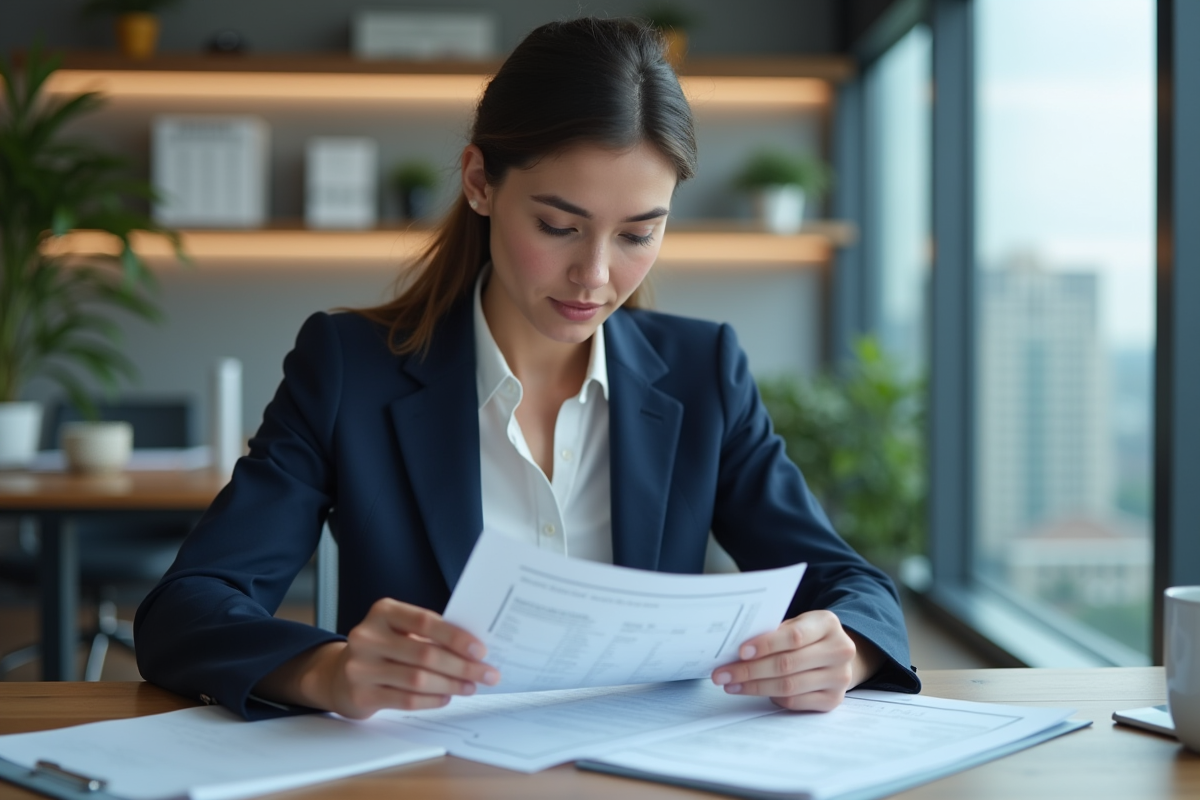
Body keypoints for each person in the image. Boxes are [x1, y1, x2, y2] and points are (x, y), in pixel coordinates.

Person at [134, 16, 921, 721]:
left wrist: (842, 651)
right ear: (479, 182)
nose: (597, 277)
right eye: (558, 225)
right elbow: (187, 608)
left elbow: (849, 584)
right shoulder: (350, 369)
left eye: (638, 234)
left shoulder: (702, 371)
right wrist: (329, 671)